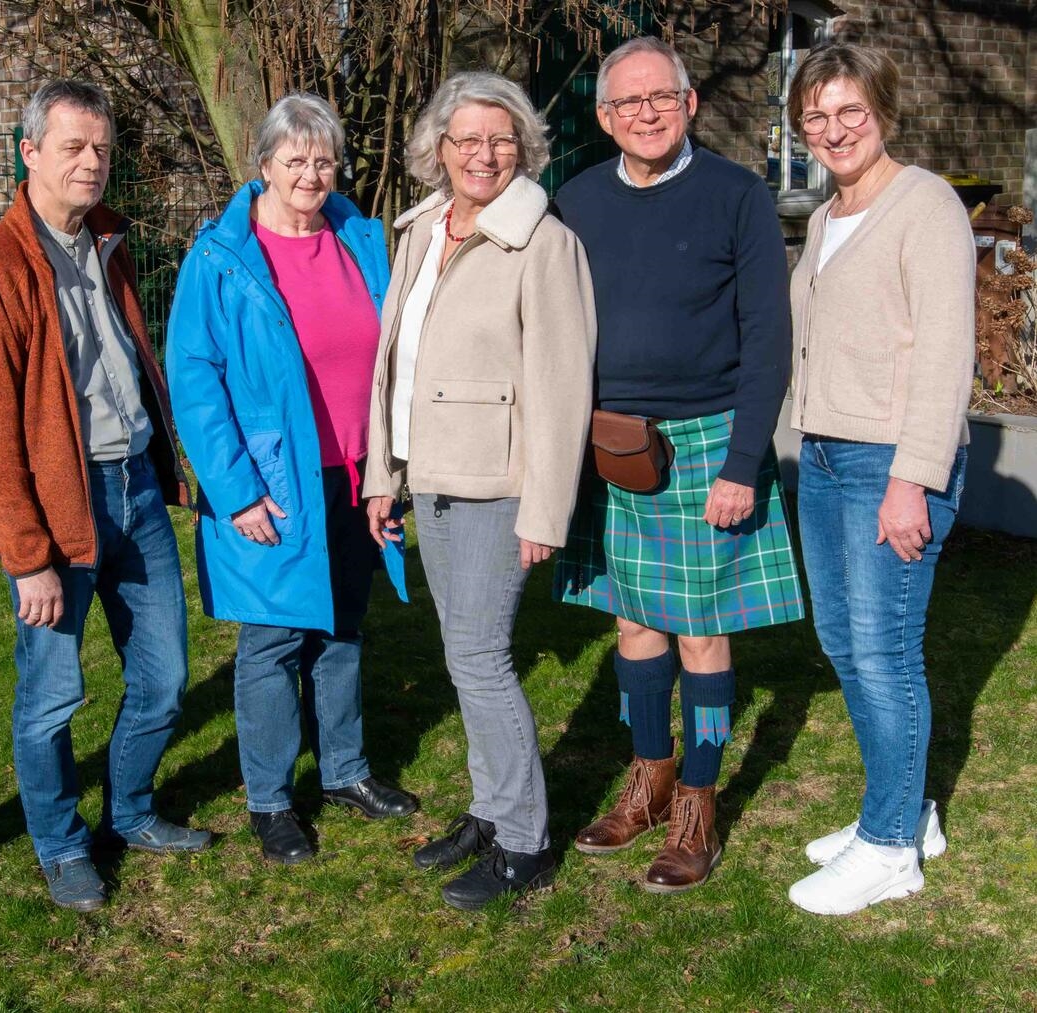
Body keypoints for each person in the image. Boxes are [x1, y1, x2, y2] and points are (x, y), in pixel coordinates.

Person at [0, 79, 204, 914]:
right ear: (29, 153)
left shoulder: (105, 242)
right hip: (59, 508)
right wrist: (27, 557)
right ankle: (61, 845)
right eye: (73, 147)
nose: (91, 162)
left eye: (101, 148)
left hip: (134, 489)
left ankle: (130, 810)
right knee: (52, 696)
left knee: (165, 676)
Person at [552, 36, 803, 894]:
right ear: (604, 116)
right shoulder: (578, 201)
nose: (646, 114)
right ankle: (648, 775)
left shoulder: (738, 194)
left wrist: (743, 461)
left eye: (661, 97)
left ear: (690, 103)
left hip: (708, 443)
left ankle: (698, 800)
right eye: (627, 102)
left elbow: (768, 338)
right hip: (611, 442)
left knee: (701, 629)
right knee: (633, 623)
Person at [363, 71, 595, 911]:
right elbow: (393, 361)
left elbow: (563, 388)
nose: (484, 154)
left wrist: (545, 510)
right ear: (440, 148)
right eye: (467, 139)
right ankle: (492, 809)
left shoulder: (543, 242)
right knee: (462, 654)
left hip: (499, 484)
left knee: (481, 657)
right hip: (430, 476)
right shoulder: (422, 229)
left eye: (501, 139)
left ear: (523, 148)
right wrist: (382, 474)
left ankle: (526, 840)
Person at [166, 92, 418, 866]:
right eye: (295, 159)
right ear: (265, 165)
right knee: (273, 639)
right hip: (274, 482)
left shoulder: (358, 238)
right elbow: (194, 379)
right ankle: (271, 801)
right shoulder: (222, 258)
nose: (311, 174)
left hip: (355, 471)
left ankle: (344, 770)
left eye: (324, 160)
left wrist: (391, 466)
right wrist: (236, 490)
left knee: (343, 626)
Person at [784, 43, 972, 916]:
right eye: (815, 117)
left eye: (850, 111)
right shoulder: (828, 215)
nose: (834, 130)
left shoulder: (924, 204)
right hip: (825, 457)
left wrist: (913, 479)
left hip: (888, 464)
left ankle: (891, 848)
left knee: (884, 650)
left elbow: (944, 352)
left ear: (884, 111)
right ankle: (902, 810)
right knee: (843, 642)